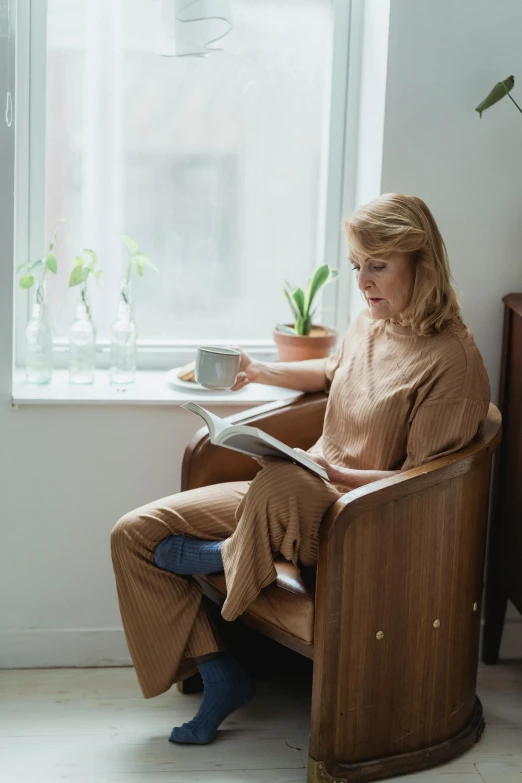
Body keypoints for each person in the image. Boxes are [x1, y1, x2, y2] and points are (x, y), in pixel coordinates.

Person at [111, 193, 490, 746]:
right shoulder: (372, 322)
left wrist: (330, 474)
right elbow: (331, 373)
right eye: (358, 265)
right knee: (136, 536)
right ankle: (222, 677)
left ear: (421, 261)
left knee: (281, 482)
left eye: (378, 265)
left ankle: (226, 553)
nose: (363, 281)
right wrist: (256, 369)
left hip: (360, 521)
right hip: (295, 491)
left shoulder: (452, 361)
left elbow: (422, 490)